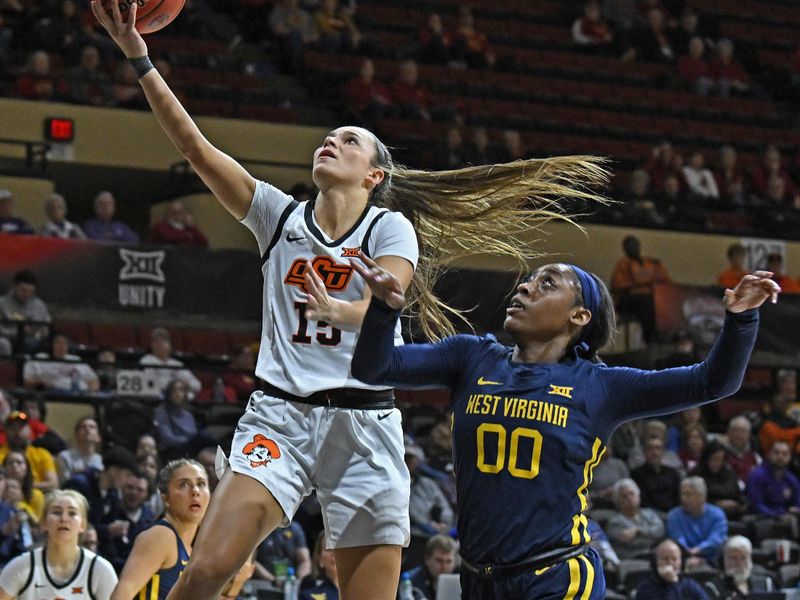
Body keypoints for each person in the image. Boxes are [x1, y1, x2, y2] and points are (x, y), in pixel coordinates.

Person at [91, 3, 616, 600]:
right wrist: (139, 56)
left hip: (364, 423)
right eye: (327, 137)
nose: (330, 142)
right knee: (207, 568)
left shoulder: (388, 228)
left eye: (348, 141)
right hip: (279, 418)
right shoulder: (276, 216)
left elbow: (387, 298)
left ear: (373, 175)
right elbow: (194, 146)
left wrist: (342, 311)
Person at [350, 257, 778, 599]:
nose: (524, 287)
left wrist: (741, 319)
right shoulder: (471, 357)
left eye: (547, 283)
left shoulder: (600, 387)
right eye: (529, 280)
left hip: (558, 576)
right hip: (479, 578)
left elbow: (712, 381)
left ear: (578, 316)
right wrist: (384, 311)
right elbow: (376, 366)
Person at [110, 459, 210, 600]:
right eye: (184, 484)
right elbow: (122, 594)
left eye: (201, 484)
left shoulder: (192, 547)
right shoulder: (161, 536)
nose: (195, 491)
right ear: (165, 499)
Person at [0, 490, 118, 599]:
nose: (64, 518)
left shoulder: (100, 569)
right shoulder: (21, 566)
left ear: (83, 525)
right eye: (57, 512)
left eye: (72, 513)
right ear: (44, 523)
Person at [610, 235, 671, 344]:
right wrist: (644, 284)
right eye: (628, 246)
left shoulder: (652, 262)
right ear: (624, 249)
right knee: (647, 305)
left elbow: (665, 281)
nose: (632, 248)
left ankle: (666, 338)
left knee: (663, 305)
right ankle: (650, 339)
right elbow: (618, 285)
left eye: (634, 245)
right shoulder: (622, 264)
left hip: (653, 298)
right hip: (629, 301)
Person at [665, 476, 728, 568]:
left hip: (713, 559)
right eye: (682, 494)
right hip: (682, 559)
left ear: (701, 497)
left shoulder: (717, 515)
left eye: (688, 495)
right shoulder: (674, 515)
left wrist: (698, 550)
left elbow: (716, 539)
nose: (683, 498)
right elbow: (678, 539)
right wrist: (689, 554)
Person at [100, 471, 156, 572]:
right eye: (130, 487)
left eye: (140, 490)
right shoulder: (108, 512)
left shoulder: (152, 520)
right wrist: (107, 531)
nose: (133, 492)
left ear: (147, 494)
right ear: (122, 488)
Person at [153, 379, 216, 462]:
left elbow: (193, 433)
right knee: (203, 436)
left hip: (190, 448)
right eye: (174, 390)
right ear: (169, 393)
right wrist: (188, 441)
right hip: (172, 450)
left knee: (206, 437)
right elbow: (167, 438)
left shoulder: (188, 415)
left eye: (181, 390)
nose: (177, 393)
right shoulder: (162, 412)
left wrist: (191, 441)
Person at [605, 478, 664, 560]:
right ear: (617, 501)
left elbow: (660, 531)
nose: (629, 498)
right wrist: (650, 535)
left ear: (638, 496)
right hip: (632, 559)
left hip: (654, 555)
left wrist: (637, 530)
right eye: (624, 496)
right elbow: (634, 543)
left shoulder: (650, 514)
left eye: (632, 494)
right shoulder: (614, 522)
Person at [0, 411, 58, 493]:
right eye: (13, 428)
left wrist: (23, 486)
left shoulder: (42, 454)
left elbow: (53, 484)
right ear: (6, 431)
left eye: (21, 427)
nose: (17, 432)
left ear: (29, 430)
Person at [634, 539, 710, 600]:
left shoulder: (690, 585)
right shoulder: (645, 588)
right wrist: (672, 584)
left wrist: (674, 582)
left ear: (681, 562)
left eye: (674, 559)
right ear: (656, 561)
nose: (670, 562)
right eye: (665, 558)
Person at [22, 334, 100, 393]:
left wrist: (91, 393)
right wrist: (43, 383)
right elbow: (28, 381)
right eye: (58, 343)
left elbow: (93, 380)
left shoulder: (76, 360)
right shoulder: (38, 359)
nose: (61, 346)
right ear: (51, 345)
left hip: (79, 395)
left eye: (64, 343)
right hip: (52, 394)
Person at [138, 328, 201, 397]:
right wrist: (175, 386)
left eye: (164, 341)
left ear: (170, 346)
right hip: (157, 399)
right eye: (156, 341)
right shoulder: (146, 361)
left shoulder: (177, 364)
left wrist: (185, 385)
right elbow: (151, 384)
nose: (160, 344)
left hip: (179, 400)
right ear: (152, 346)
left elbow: (197, 385)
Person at [0, 270, 51, 356]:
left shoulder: (39, 304)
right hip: (10, 339)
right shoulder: (2, 303)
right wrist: (21, 331)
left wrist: (42, 332)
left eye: (30, 292)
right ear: (15, 287)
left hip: (36, 340)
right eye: (23, 290)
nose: (27, 294)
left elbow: (47, 325)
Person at [709, 535, 777, 599]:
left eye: (743, 558)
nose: (739, 563)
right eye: (733, 558)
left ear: (750, 560)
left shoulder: (765, 584)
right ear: (724, 560)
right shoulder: (714, 588)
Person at [253, 520, 311, 585]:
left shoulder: (295, 528)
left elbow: (304, 561)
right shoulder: (259, 526)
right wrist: (272, 579)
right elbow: (251, 560)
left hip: (289, 583)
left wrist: (299, 582)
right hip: (261, 583)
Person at [406, 534, 458, 600]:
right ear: (427, 559)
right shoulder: (410, 580)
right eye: (439, 561)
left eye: (449, 561)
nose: (444, 567)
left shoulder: (460, 580)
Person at [722, 415, 761, 484]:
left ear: (749, 434)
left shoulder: (756, 458)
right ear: (728, 432)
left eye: (743, 431)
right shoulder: (721, 454)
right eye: (736, 430)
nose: (739, 434)